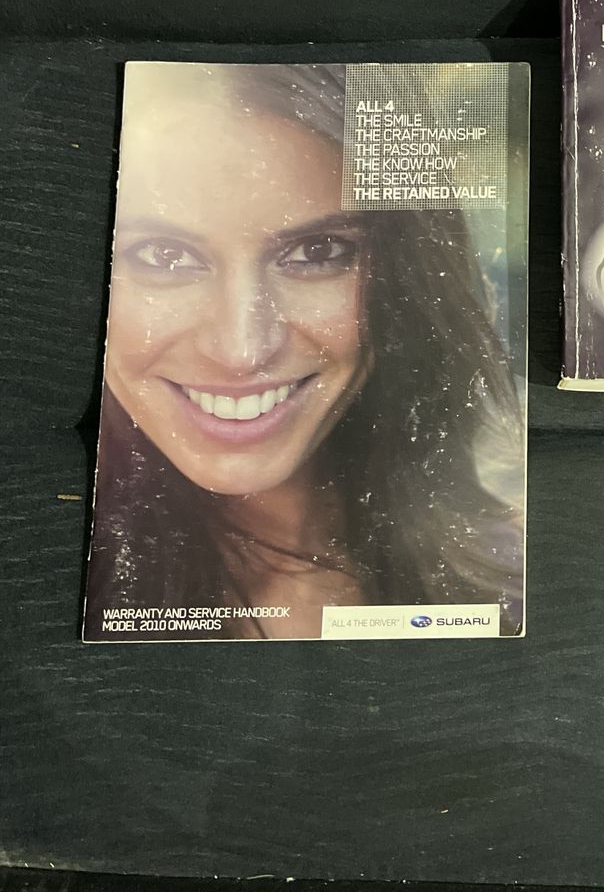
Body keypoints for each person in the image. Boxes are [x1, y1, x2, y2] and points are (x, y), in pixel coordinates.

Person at [85, 63, 525, 639]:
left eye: (318, 251)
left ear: (407, 274)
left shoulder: (520, 576)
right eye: (163, 256)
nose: (241, 351)